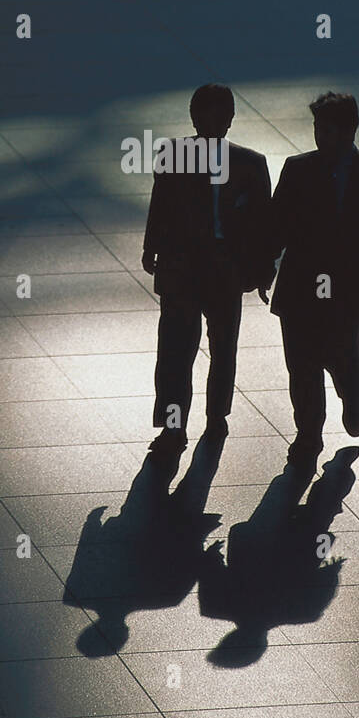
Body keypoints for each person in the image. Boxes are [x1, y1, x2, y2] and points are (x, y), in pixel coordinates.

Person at [142, 84, 272, 465]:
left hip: (224, 268)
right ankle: (173, 426)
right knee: (175, 352)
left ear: (231, 119)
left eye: (222, 115)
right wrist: (152, 247)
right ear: (195, 119)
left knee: (222, 349)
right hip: (183, 268)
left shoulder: (250, 164)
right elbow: (160, 205)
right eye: (208, 115)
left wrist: (262, 269)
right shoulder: (173, 156)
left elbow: (263, 223)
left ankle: (216, 417)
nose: (216, 123)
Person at [269, 93, 359, 473]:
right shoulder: (297, 169)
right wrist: (263, 266)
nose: (319, 137)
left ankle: (353, 389)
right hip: (299, 285)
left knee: (340, 355)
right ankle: (309, 435)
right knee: (302, 365)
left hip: (346, 288)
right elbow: (278, 224)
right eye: (317, 129)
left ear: (347, 130)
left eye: (326, 129)